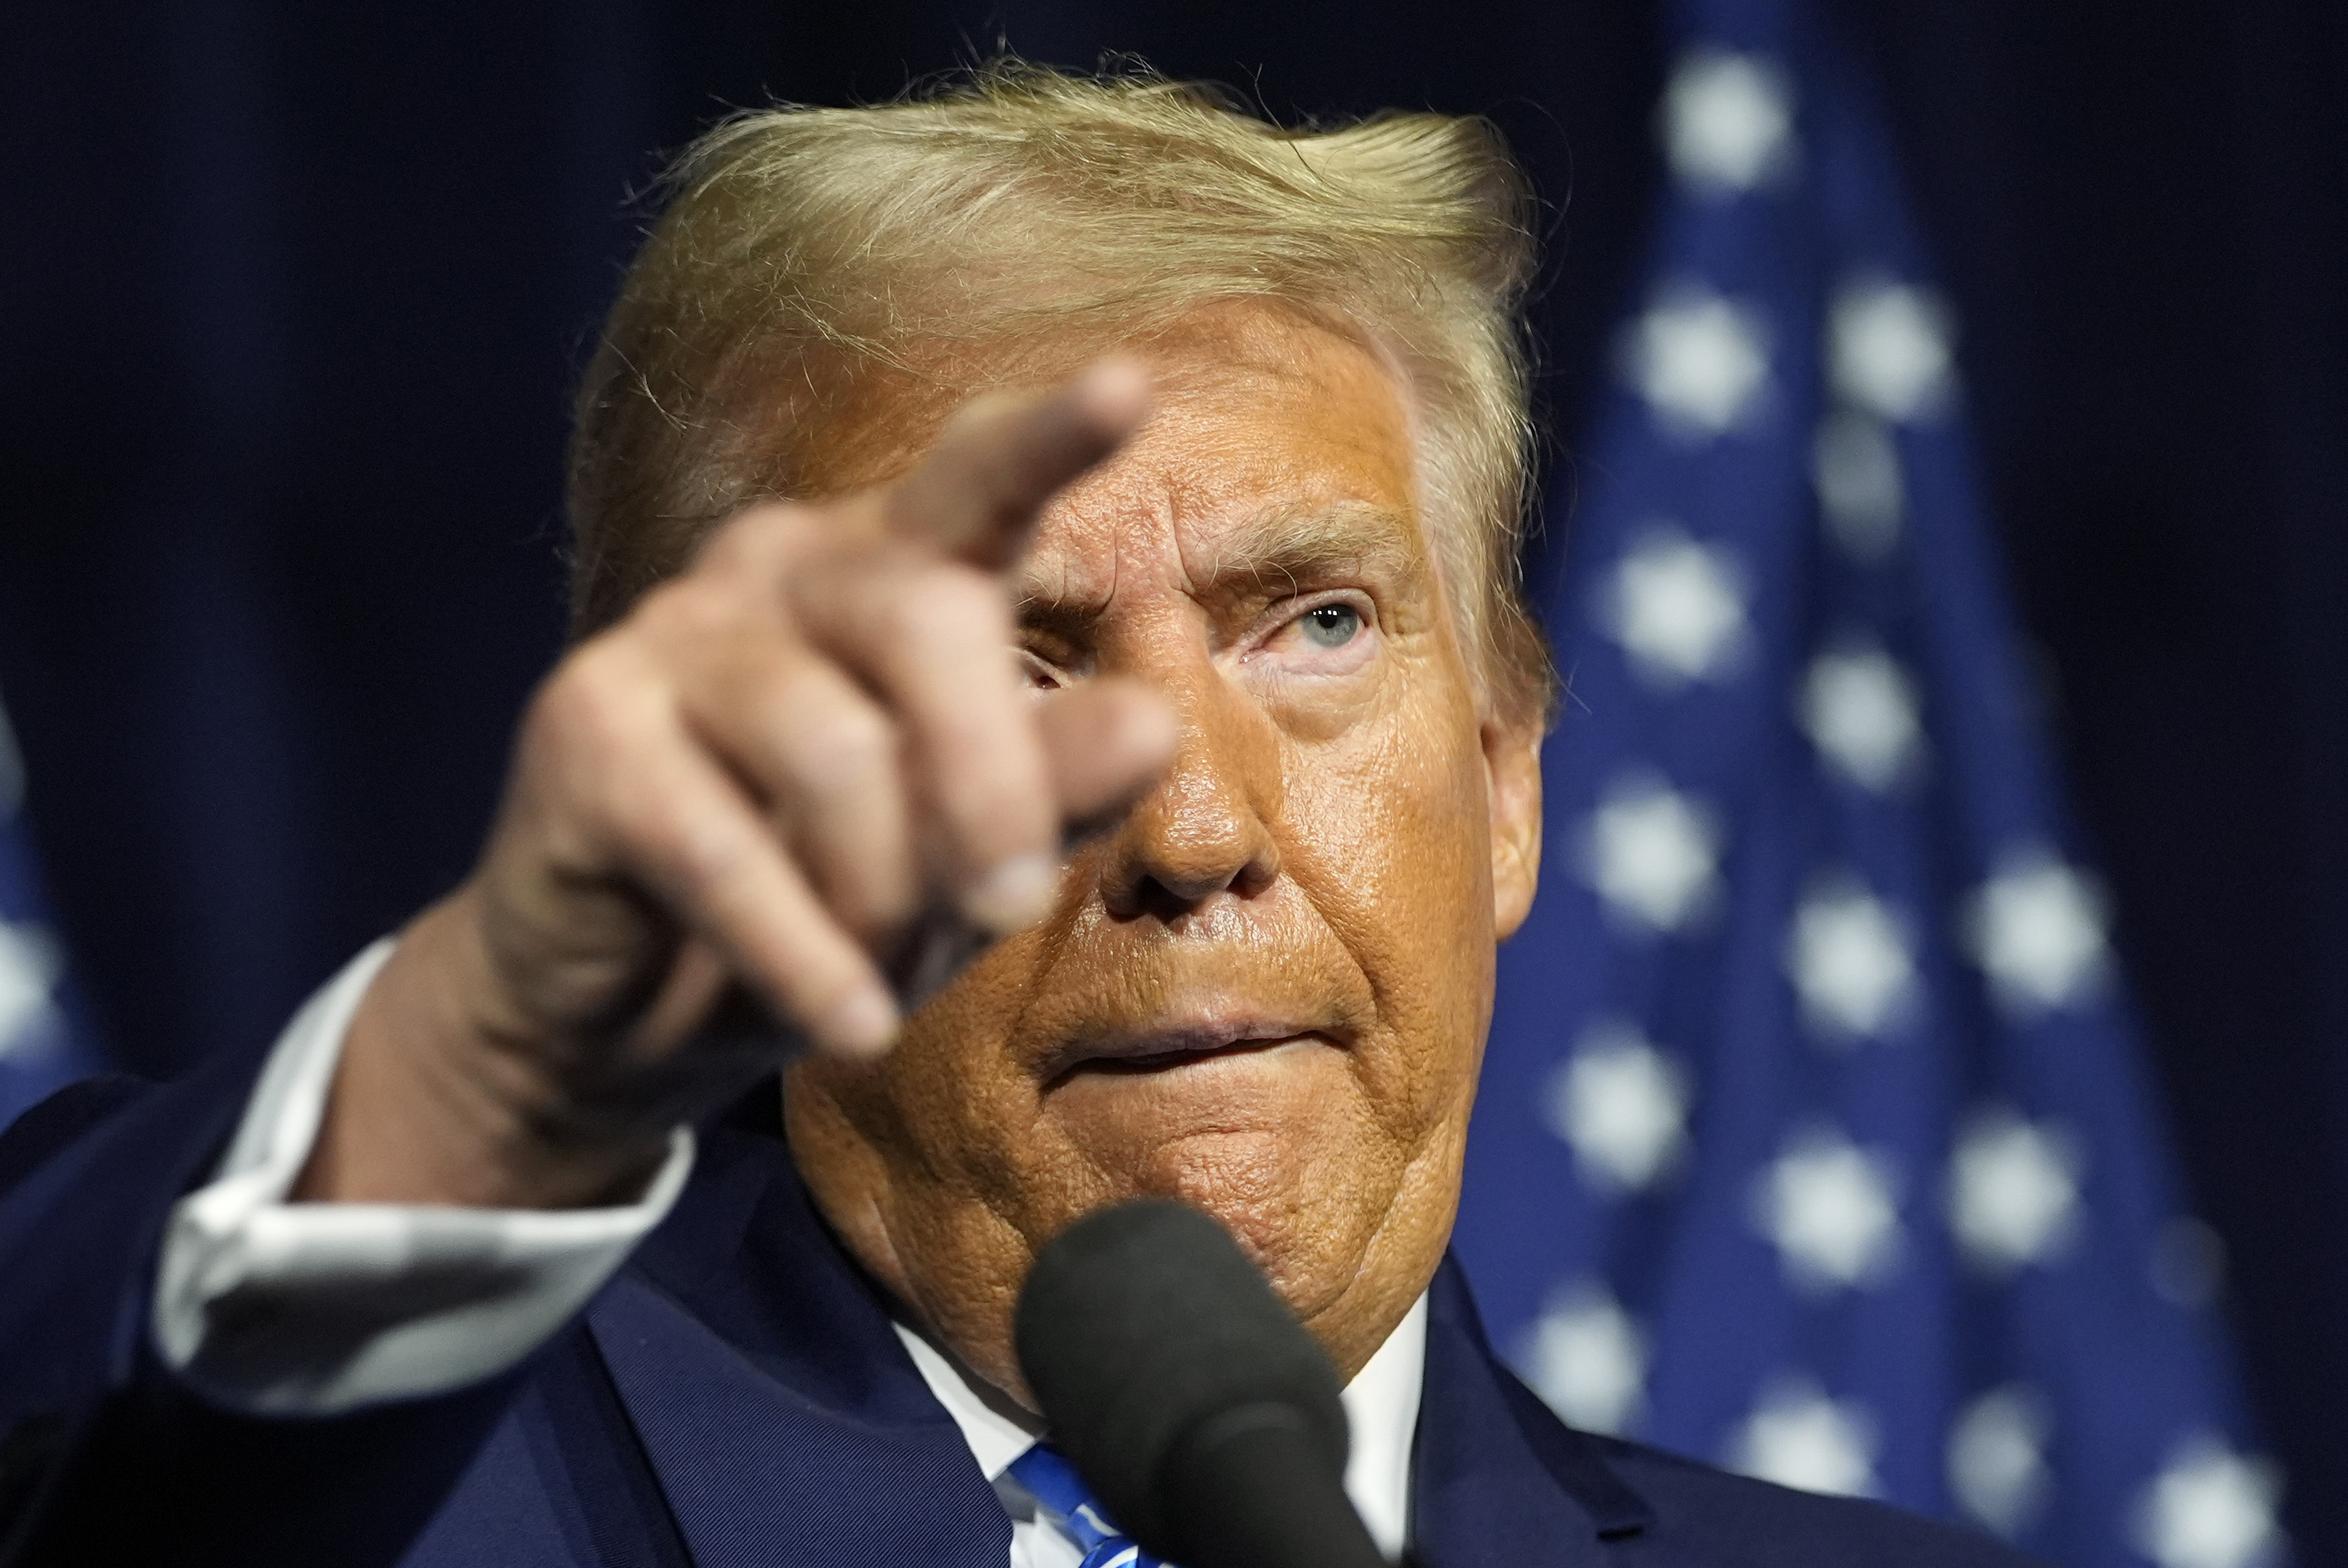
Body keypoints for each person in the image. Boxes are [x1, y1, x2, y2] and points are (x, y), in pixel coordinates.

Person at [0, 65, 2034, 1567]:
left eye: (1316, 623)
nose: (1190, 830)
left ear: (1507, 773)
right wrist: (480, 1062)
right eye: (1006, 665)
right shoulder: (380, 1512)